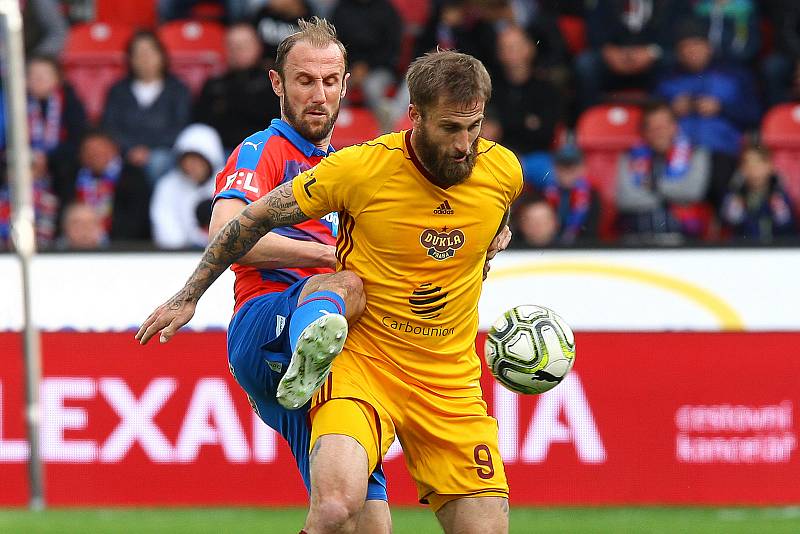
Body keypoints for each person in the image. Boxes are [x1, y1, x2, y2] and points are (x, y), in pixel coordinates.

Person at [136, 45, 520, 534]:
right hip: (306, 331)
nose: (465, 144)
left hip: (439, 375)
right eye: (305, 81)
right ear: (415, 117)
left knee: (359, 522)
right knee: (348, 282)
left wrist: (491, 244)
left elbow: (493, 215)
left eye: (329, 81)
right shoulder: (292, 155)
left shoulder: (501, 170)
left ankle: (313, 349)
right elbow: (232, 228)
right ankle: (310, 340)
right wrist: (189, 294)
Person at [101, 30, 192, 185]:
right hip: (124, 152)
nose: (145, 59)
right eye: (138, 54)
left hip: (164, 151)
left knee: (158, 162)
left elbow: (181, 127)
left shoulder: (177, 89)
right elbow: (110, 126)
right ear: (130, 59)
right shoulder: (118, 90)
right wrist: (130, 149)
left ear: (161, 56)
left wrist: (148, 150)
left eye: (149, 52)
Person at [616, 102, 711, 242]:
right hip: (636, 240)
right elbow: (625, 200)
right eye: (652, 128)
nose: (658, 133)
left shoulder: (697, 154)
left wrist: (654, 186)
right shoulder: (628, 157)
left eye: (662, 127)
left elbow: (692, 192)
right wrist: (672, 199)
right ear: (644, 132)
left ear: (674, 127)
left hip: (683, 241)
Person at [194, 23, 281, 152]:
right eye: (232, 45)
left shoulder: (274, 82)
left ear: (258, 47)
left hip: (263, 152)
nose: (237, 50)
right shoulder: (214, 85)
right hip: (219, 154)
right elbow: (201, 126)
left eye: (243, 45)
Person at [150, 124, 224, 249]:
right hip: (180, 258)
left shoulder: (228, 183)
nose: (192, 165)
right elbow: (165, 229)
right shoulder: (168, 186)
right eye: (188, 159)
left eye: (198, 159)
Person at [720, 146, 796, 242]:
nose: (754, 171)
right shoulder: (734, 195)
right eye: (748, 165)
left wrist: (779, 211)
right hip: (742, 251)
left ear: (770, 167)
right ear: (742, 169)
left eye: (758, 164)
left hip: (776, 252)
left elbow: (790, 231)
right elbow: (726, 227)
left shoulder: (781, 197)